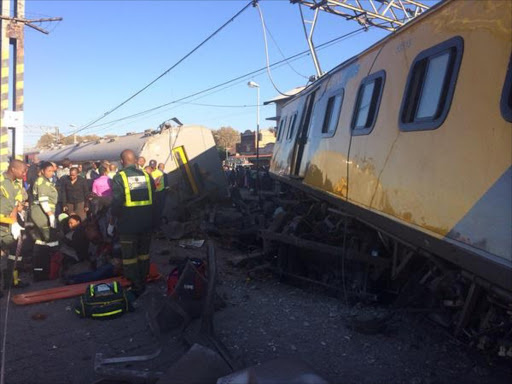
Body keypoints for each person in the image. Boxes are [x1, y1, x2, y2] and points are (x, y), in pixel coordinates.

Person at [111, 149, 155, 296]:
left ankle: (136, 285)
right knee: (144, 254)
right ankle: (143, 278)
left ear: (122, 161)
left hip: (128, 225)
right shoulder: (147, 176)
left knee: (129, 257)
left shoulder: (120, 177)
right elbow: (155, 198)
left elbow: (117, 203)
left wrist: (113, 221)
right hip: (147, 223)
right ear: (136, 160)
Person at [0, 159, 29, 294]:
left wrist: (15, 221)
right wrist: (11, 222)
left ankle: (11, 281)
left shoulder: (13, 184)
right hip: (2, 225)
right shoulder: (2, 183)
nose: (24, 174)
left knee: (14, 253)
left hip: (7, 226)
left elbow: (13, 205)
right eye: (22, 171)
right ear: (13, 169)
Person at [30, 161, 59, 281]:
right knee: (50, 241)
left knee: (40, 242)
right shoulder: (42, 182)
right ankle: (49, 271)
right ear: (42, 170)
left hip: (41, 214)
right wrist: (50, 215)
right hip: (43, 215)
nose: (51, 173)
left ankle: (41, 272)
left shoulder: (45, 181)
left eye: (53, 171)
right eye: (49, 171)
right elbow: (43, 200)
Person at [149, 160, 165, 227]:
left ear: (156, 165)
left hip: (159, 192)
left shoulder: (159, 173)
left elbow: (156, 182)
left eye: (153, 165)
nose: (152, 166)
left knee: (160, 207)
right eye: (151, 165)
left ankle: (160, 221)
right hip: (153, 193)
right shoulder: (149, 173)